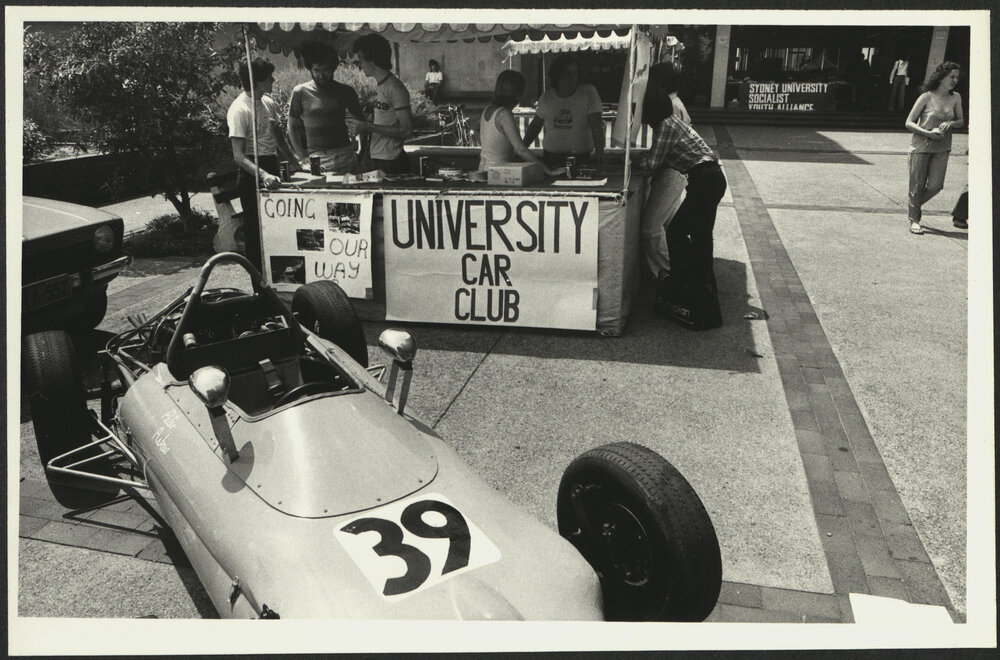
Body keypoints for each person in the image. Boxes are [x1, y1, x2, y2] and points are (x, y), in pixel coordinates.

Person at [638, 82, 727, 295]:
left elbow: (651, 165)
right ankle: (703, 283)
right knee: (700, 234)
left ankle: (684, 278)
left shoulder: (664, 127)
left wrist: (634, 163)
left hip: (704, 180)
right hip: (712, 178)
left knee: (677, 232)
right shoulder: (673, 122)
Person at [227, 57, 301, 272]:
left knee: (278, 226)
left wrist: (298, 162)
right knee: (256, 233)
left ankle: (281, 279)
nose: (274, 80)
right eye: (269, 77)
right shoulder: (240, 109)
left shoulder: (267, 101)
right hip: (252, 171)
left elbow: (278, 140)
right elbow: (238, 156)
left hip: (270, 165)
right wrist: (263, 175)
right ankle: (258, 284)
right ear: (257, 80)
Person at [640, 61, 691, 281]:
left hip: (672, 173)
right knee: (666, 224)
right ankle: (673, 270)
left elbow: (666, 143)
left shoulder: (672, 106)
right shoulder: (675, 102)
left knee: (652, 227)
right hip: (674, 173)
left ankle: (666, 273)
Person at [288, 40, 368, 175]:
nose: (321, 75)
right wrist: (301, 157)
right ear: (310, 68)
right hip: (318, 159)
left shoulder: (346, 91)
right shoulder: (300, 92)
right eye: (317, 70)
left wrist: (360, 151)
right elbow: (291, 126)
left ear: (333, 68)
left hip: (346, 156)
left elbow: (362, 123)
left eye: (326, 70)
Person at [904, 61, 964, 235]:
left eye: (957, 77)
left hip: (942, 147)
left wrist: (951, 123)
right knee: (917, 185)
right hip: (920, 146)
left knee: (936, 185)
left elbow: (961, 121)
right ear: (941, 77)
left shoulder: (956, 97)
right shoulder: (926, 97)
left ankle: (912, 206)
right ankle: (914, 219)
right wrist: (927, 133)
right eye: (951, 76)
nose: (954, 80)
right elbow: (908, 122)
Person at [522, 54, 605, 169]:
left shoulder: (588, 92)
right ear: (557, 74)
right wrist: (522, 148)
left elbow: (596, 126)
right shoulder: (547, 97)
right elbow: (535, 125)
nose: (572, 77)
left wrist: (599, 153)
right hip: (551, 158)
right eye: (567, 73)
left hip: (581, 159)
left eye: (575, 73)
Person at [477, 70, 564, 177]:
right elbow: (521, 150)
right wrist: (547, 170)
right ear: (518, 95)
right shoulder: (504, 114)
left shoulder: (487, 110)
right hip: (497, 174)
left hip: (482, 171)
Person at [351, 33, 413, 174]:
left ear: (372, 59)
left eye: (360, 58)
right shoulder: (382, 85)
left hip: (392, 161)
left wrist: (368, 127)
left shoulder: (395, 88)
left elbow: (407, 130)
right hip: (381, 159)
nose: (359, 64)